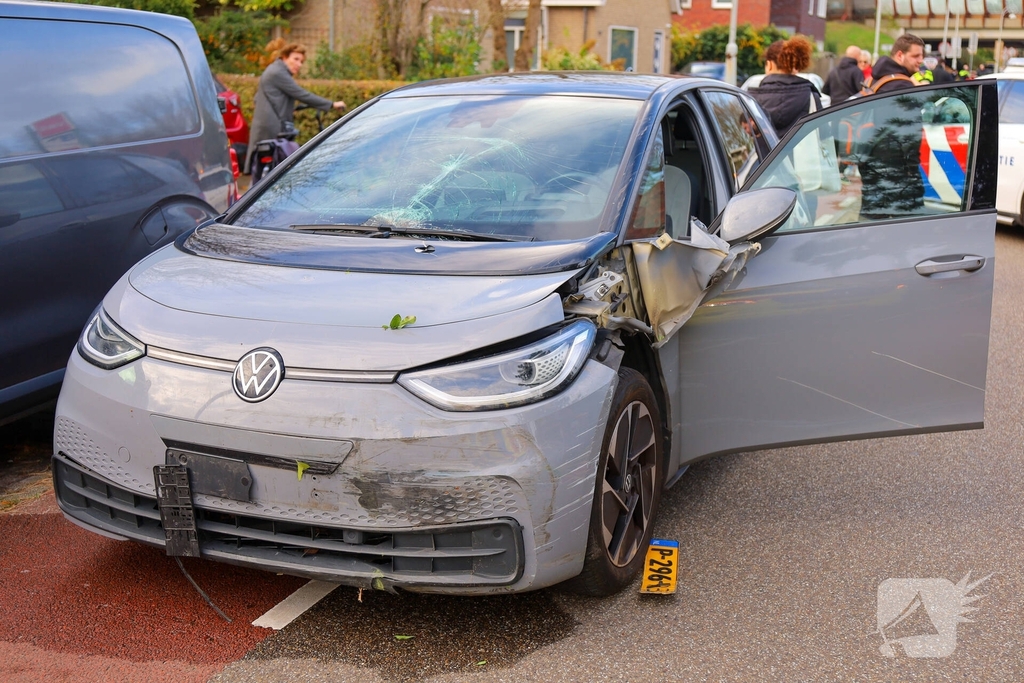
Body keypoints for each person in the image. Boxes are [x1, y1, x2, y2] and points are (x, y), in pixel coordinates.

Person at [245, 43, 346, 173]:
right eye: (295, 59)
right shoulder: (278, 72)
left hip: (266, 126)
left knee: (265, 170)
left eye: (302, 61)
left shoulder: (273, 70)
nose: (299, 64)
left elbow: (258, 97)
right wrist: (331, 104)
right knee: (274, 171)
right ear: (285, 57)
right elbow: (300, 94)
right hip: (271, 127)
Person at [748, 36, 822, 138]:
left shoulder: (749, 100)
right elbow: (823, 135)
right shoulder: (811, 97)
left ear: (769, 65)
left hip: (764, 154)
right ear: (795, 66)